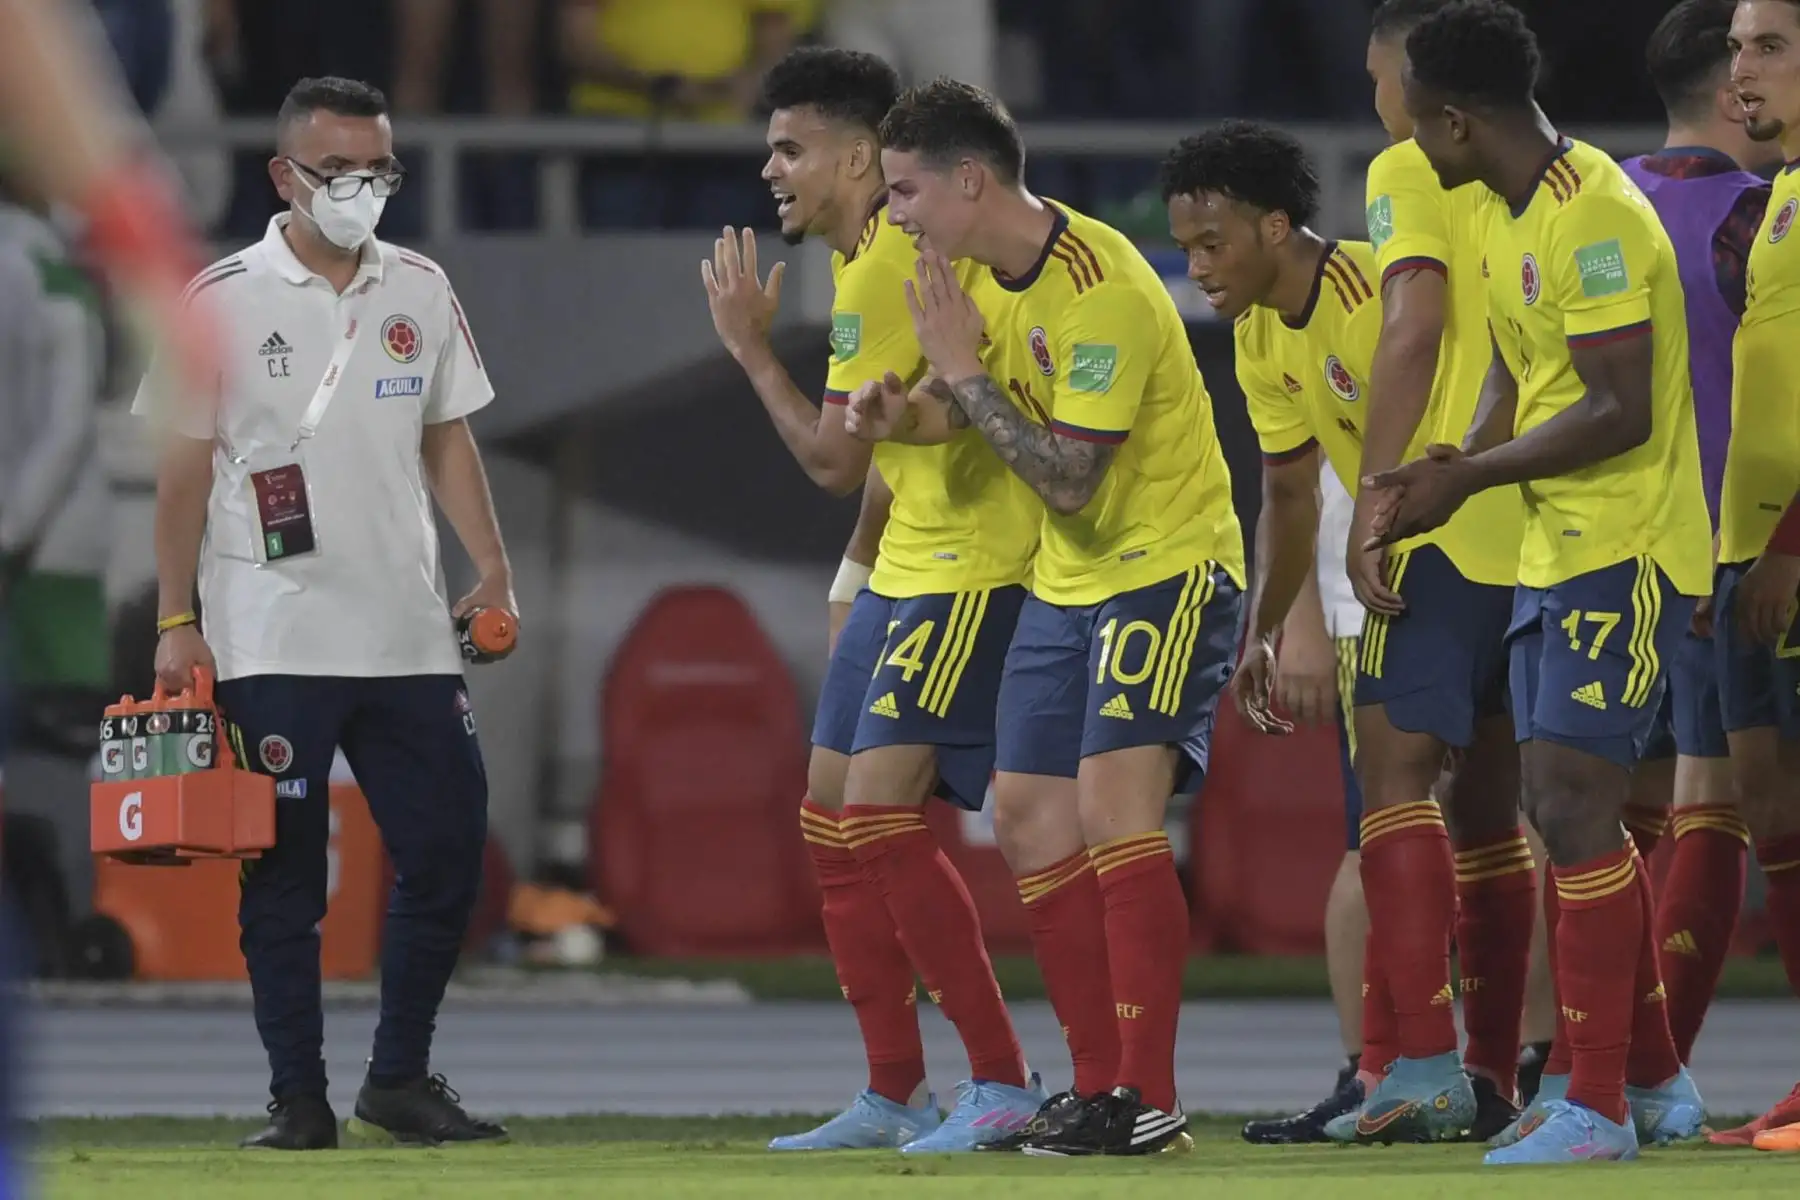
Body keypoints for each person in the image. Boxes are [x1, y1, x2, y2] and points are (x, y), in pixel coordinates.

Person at [851, 78, 1247, 1156]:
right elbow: (988, 416)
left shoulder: (1100, 286)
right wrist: (917, 414)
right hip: (1070, 581)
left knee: (1120, 815)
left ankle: (1150, 1098)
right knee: (1026, 812)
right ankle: (1093, 1086)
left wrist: (963, 371)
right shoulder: (982, 273)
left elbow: (1068, 474)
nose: (895, 215)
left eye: (905, 191)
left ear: (969, 180)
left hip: (1164, 569)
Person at [134, 76, 515, 1151]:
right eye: (337, 172)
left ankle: (397, 1077)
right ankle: (296, 1097)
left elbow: (449, 435)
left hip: (407, 631)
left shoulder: (423, 288)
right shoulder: (217, 298)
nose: (360, 191)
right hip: (272, 631)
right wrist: (177, 620)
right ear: (283, 176)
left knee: (446, 853)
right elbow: (180, 472)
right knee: (286, 877)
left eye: (378, 171)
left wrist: (492, 570)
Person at [1367, 0, 1713, 1164]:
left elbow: (1618, 410)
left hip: (1625, 544)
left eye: (1420, 126)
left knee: (1570, 808)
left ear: (1460, 122)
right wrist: (1452, 461)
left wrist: (1467, 484)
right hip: (1552, 547)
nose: (1411, 146)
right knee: (1560, 810)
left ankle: (1598, 1104)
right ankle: (1656, 1085)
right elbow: (1524, 380)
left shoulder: (1597, 218)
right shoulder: (1499, 212)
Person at [700, 45, 1046, 1153]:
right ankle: (896, 1088)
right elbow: (885, 469)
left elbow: (832, 460)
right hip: (905, 568)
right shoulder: (878, 250)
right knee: (829, 820)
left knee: (880, 820)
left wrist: (753, 354)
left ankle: (999, 1081)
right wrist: (856, 581)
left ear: (857, 155)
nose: (773, 170)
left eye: (790, 149)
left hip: (972, 569)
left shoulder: (881, 266)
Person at [1165, 118, 1518, 1145]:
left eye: (1213, 243)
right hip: (1392, 569)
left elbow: (1408, 440)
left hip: (1461, 552)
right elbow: (1284, 490)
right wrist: (1267, 630)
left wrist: (1339, 593)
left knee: (1431, 804)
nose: (1199, 267)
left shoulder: (1376, 294)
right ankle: (1415, 1074)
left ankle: (1446, 1069)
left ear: (1278, 225)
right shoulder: (1261, 334)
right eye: (1186, 247)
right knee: (1426, 819)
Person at [1624, 0, 1780, 1080]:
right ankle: (1649, 1072)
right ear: (1732, 92)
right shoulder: (1765, 219)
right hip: (1733, 549)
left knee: (1589, 823)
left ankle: (1574, 1066)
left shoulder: (1593, 204)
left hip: (1594, 553)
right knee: (1716, 802)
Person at [1705, 0, 1800, 1151]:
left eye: (1768, 45)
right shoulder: (1774, 204)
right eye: (1734, 48)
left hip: (1788, 553)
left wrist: (1786, 546)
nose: (1742, 70)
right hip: (1746, 552)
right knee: (1770, 808)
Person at [1240, 462, 1373, 1145]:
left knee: (1504, 831)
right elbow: (1292, 472)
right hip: (1364, 603)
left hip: (1492, 573)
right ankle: (1369, 1072)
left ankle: (1518, 1067)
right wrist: (1302, 616)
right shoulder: (1292, 351)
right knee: (1380, 841)